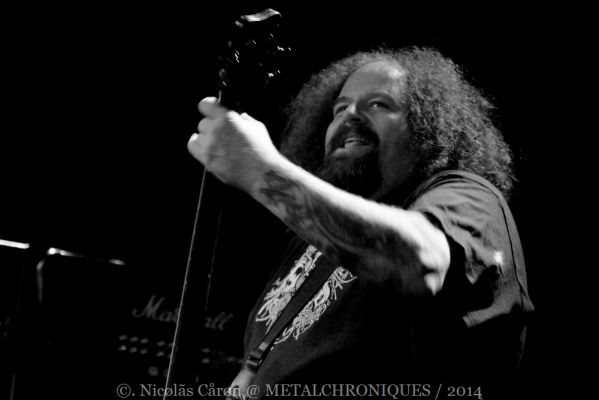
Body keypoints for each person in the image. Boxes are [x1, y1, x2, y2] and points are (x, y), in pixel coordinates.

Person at [187, 47, 534, 399]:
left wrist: (262, 171)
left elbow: (419, 261)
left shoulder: (468, 196)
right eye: (339, 109)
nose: (350, 115)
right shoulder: (312, 237)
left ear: (427, 125)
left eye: (379, 104)